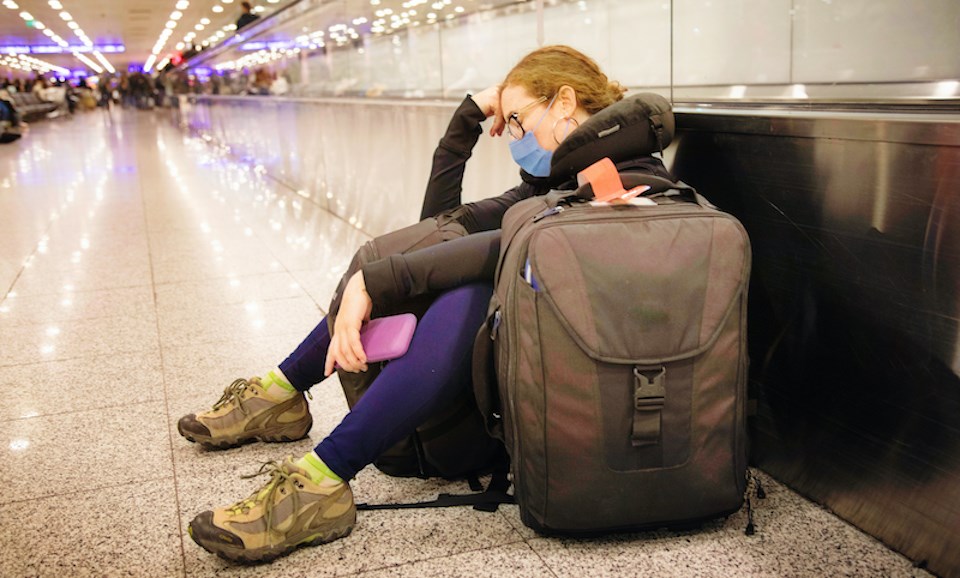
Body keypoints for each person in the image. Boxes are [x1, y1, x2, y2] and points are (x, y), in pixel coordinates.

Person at [181, 45, 675, 563]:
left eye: (517, 120)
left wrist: (373, 281)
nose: (512, 138)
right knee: (434, 277)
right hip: (527, 372)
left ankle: (318, 478)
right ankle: (282, 396)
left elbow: (492, 249)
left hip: (568, 390)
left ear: (566, 101)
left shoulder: (623, 179)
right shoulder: (555, 178)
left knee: (468, 294)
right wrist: (464, 124)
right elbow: (438, 232)